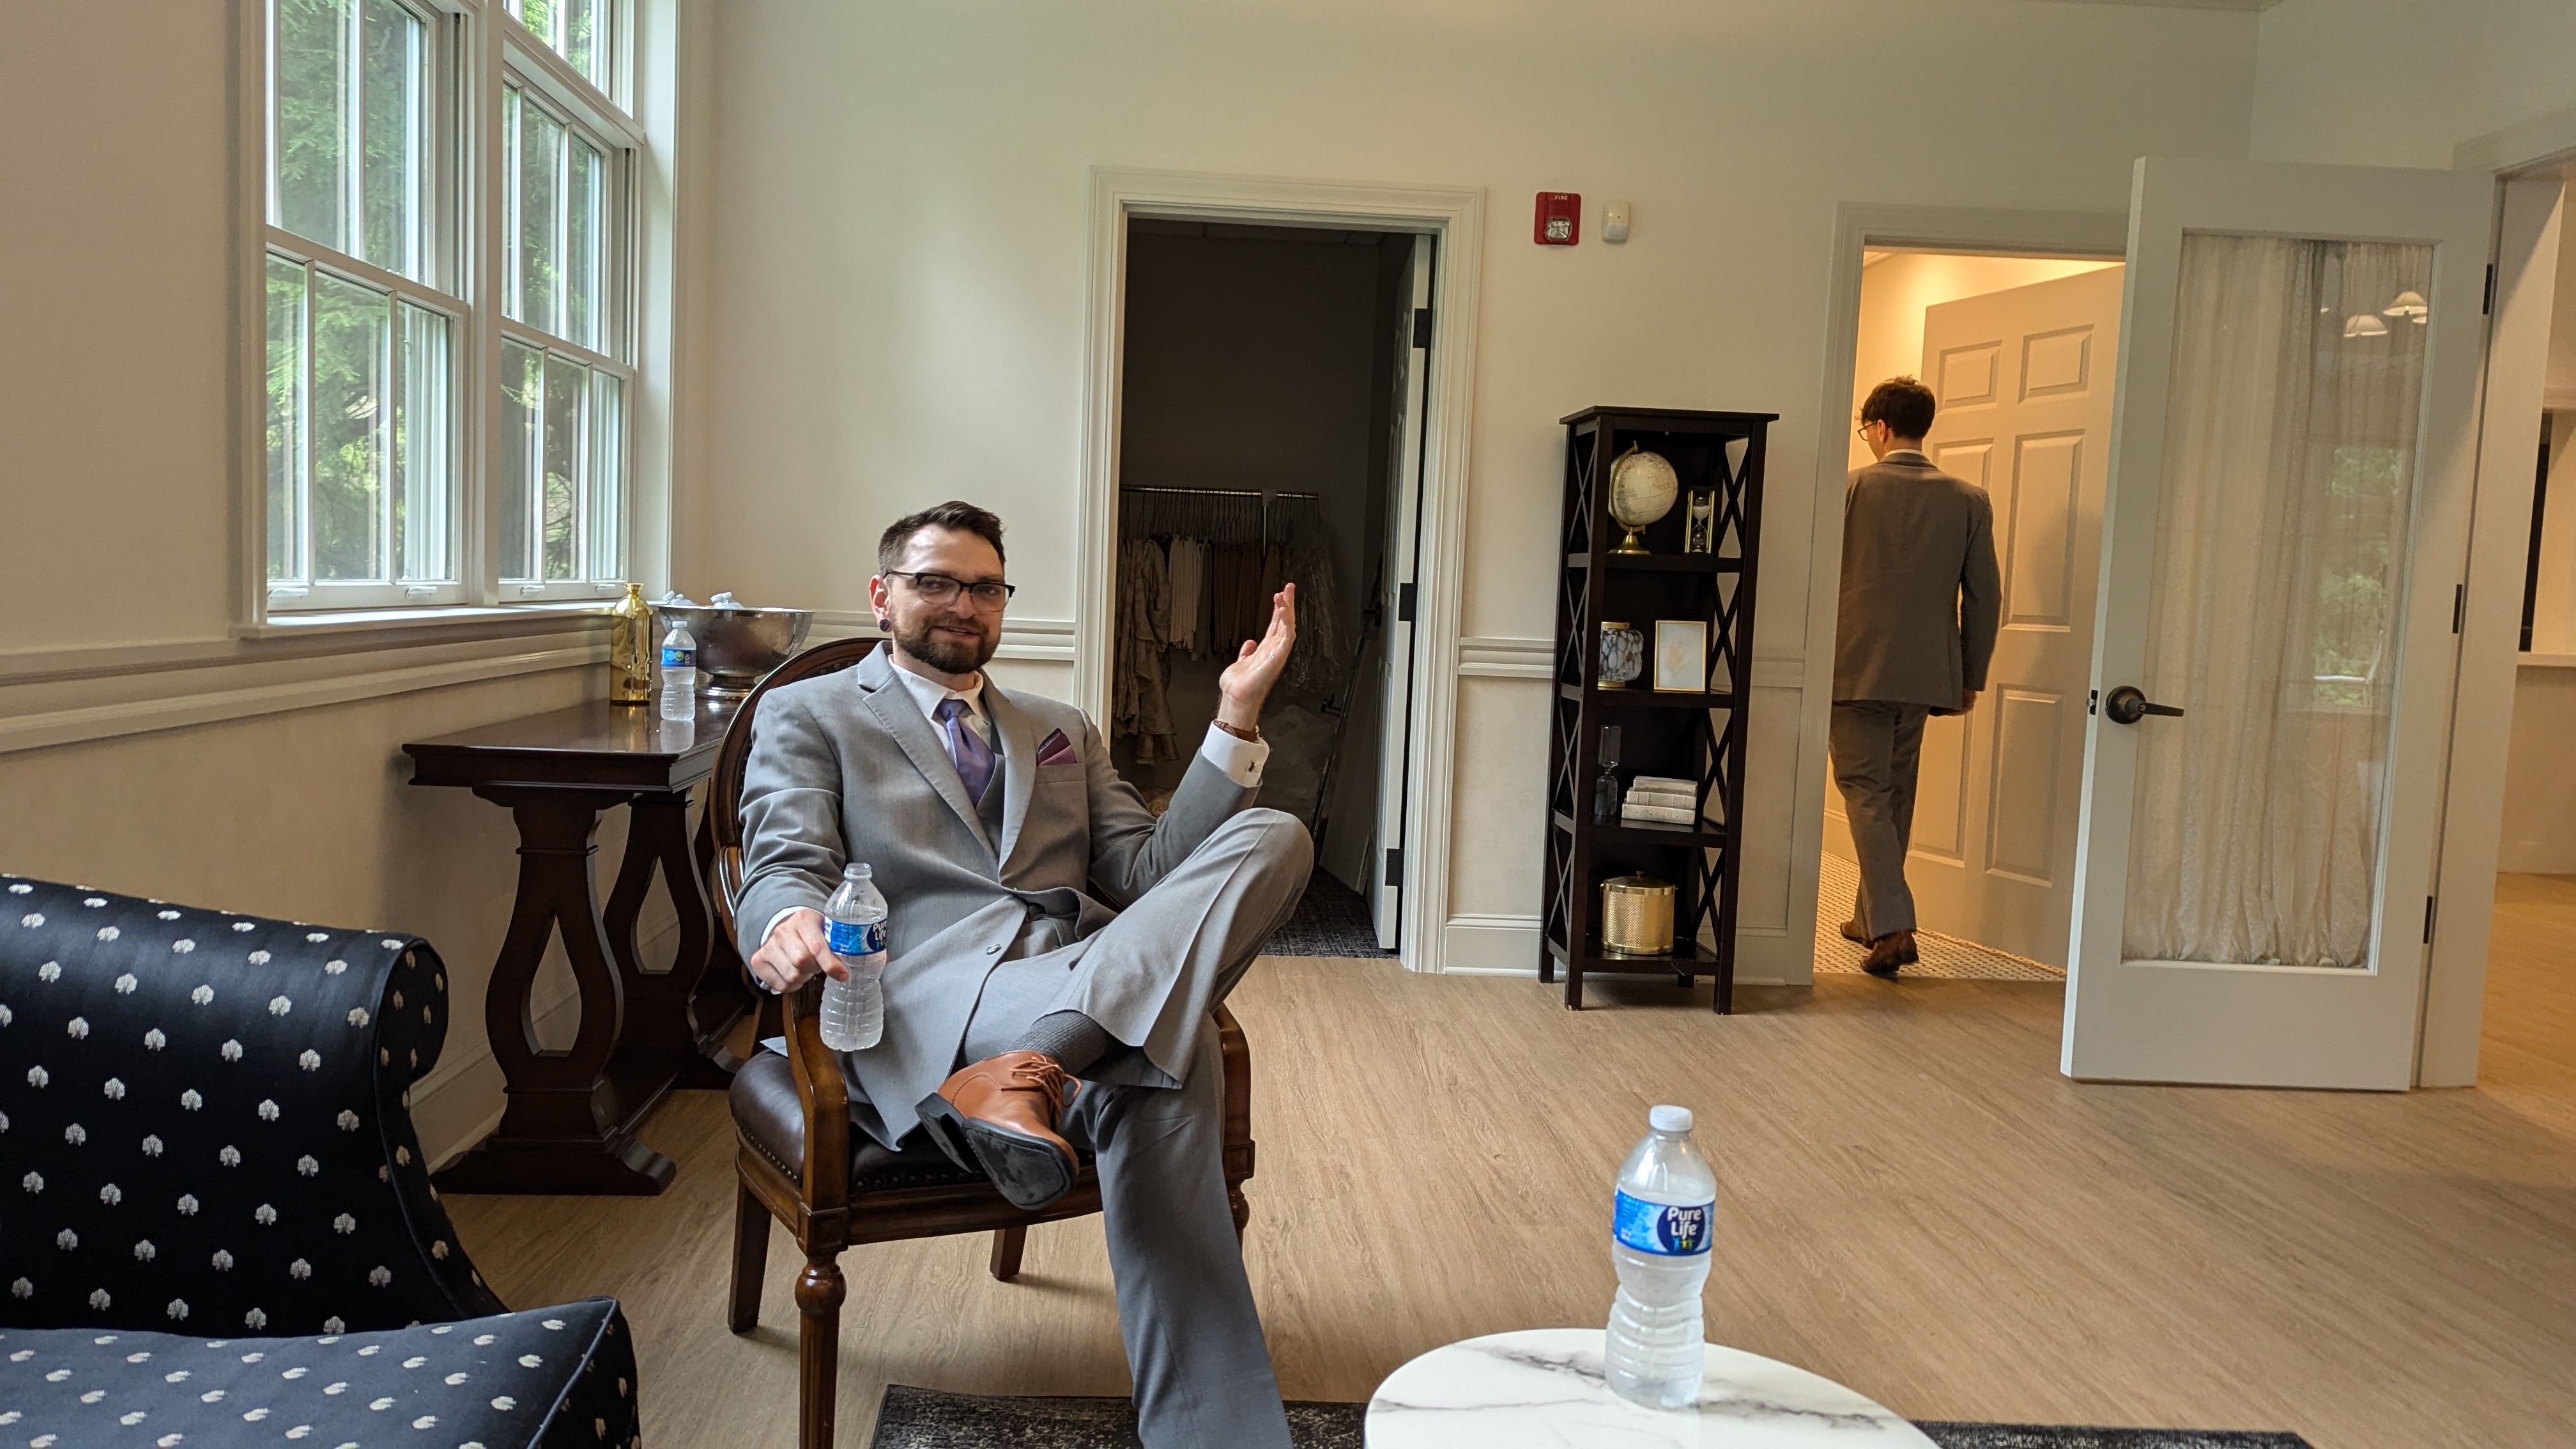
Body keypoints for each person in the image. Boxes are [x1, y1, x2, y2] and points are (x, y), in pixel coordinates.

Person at [734, 501, 1310, 1448]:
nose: (963, 602)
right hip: (927, 998)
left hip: (1072, 972)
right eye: (935, 582)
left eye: (986, 587)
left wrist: (1233, 717)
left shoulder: (1059, 728)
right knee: (1176, 1055)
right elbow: (783, 860)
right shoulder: (811, 712)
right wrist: (789, 920)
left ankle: (1031, 1070)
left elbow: (1150, 878)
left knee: (1274, 835)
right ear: (883, 597)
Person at [1831, 378, 2000, 976]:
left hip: (1852, 666)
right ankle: (1867, 916)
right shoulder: (1968, 498)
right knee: (1895, 793)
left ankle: (1895, 926)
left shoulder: (1847, 491)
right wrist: (1970, 672)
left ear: (1878, 428)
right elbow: (1984, 597)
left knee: (1865, 793)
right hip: (1927, 672)